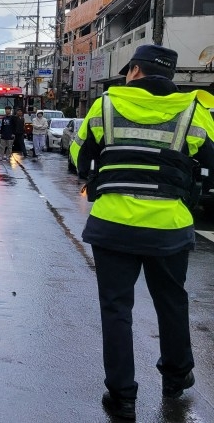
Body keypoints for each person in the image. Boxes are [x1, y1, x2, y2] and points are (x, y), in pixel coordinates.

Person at [70, 44, 214, 421]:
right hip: (168, 227)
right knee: (172, 301)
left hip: (113, 224)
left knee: (117, 308)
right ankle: (177, 377)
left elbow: (78, 157)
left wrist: (98, 173)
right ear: (170, 75)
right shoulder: (193, 110)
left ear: (134, 70)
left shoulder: (104, 106)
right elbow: (212, 161)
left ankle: (122, 396)